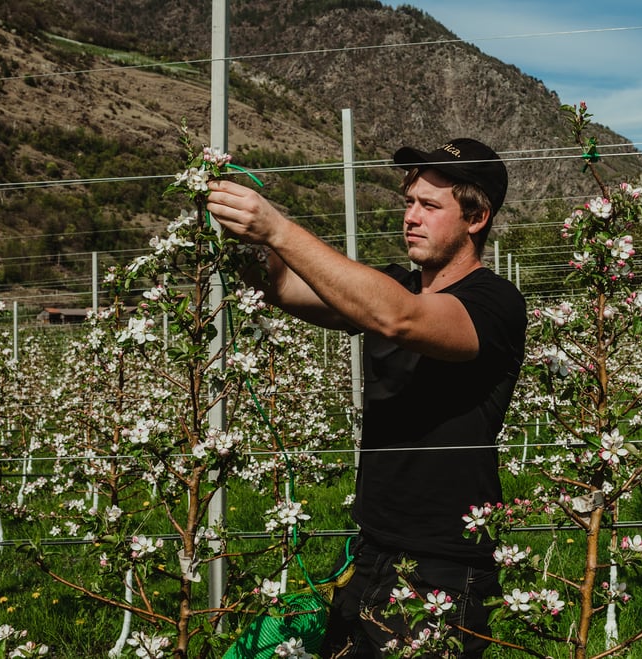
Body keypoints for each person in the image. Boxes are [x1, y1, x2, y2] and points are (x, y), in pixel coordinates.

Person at [207, 137, 527, 657]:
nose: (411, 217)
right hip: (373, 548)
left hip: (444, 563)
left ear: (476, 218)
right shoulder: (396, 283)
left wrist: (280, 229)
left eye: (429, 206)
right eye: (408, 203)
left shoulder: (494, 303)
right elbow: (288, 285)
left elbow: (398, 318)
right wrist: (244, 239)